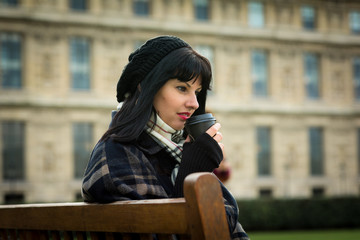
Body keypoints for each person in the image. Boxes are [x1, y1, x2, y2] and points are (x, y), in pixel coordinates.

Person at [81, 35, 249, 240]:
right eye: (182, 88)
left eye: (197, 92)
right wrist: (192, 174)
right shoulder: (115, 152)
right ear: (146, 87)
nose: (194, 103)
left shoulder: (177, 148)